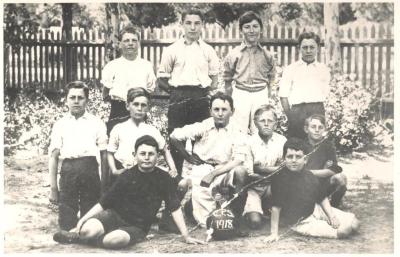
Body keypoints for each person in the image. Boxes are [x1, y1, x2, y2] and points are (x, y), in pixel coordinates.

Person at [53, 135, 203, 249]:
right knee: (87, 230)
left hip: (137, 226)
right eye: (142, 153)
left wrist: (186, 235)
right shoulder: (127, 175)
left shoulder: (163, 178)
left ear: (158, 156)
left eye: (151, 154)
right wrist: (82, 220)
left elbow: (175, 207)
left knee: (114, 240)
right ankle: (82, 236)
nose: (146, 158)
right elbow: (104, 202)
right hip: (114, 216)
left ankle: (99, 240)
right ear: (134, 155)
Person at [170, 92, 248, 226]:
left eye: (224, 109)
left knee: (240, 172)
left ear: (232, 111)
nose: (220, 113)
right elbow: (174, 136)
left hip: (224, 169)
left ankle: (236, 215)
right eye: (216, 109)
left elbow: (238, 160)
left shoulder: (238, 131)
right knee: (207, 222)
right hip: (203, 167)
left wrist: (213, 174)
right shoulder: (203, 126)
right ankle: (193, 208)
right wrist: (187, 156)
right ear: (210, 111)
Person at [157, 8, 220, 175]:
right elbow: (161, 79)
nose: (193, 27)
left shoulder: (208, 50)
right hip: (179, 98)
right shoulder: (171, 50)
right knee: (176, 138)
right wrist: (176, 93)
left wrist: (204, 93)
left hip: (200, 98)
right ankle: (176, 181)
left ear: (202, 25)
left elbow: (214, 79)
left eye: (197, 23)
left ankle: (200, 179)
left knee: (203, 139)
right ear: (181, 25)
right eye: (189, 23)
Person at [264, 138, 359, 242]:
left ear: (305, 160)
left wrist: (331, 216)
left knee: (355, 223)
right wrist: (274, 234)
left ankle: (327, 220)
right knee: (344, 231)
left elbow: (322, 197)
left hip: (315, 209)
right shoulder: (280, 178)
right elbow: (276, 208)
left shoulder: (309, 175)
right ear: (284, 159)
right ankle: (326, 226)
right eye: (290, 157)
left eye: (298, 157)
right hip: (301, 222)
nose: (294, 160)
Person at [49, 81, 108, 232]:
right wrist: (54, 188)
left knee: (90, 214)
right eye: (72, 97)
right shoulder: (60, 124)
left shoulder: (96, 122)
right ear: (66, 100)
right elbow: (54, 157)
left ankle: (86, 234)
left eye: (80, 98)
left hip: (90, 168)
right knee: (66, 218)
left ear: (87, 100)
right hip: (68, 169)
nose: (76, 101)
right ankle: (69, 234)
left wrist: (104, 184)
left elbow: (104, 155)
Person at [106, 87, 177, 189]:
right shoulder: (118, 128)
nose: (139, 108)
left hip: (145, 173)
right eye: (135, 104)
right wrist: (114, 170)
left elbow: (165, 150)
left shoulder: (152, 130)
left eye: (143, 105)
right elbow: (110, 152)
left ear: (148, 108)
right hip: (123, 171)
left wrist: (173, 168)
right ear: (127, 106)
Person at [223, 11, 276, 134]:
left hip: (260, 94)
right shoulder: (234, 54)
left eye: (255, 26)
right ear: (241, 31)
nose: (251, 30)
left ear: (261, 29)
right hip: (240, 93)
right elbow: (227, 78)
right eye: (247, 27)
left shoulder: (267, 55)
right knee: (237, 129)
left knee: (259, 129)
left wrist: (268, 92)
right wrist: (230, 98)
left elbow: (272, 76)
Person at [101, 25, 156, 135]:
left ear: (139, 43)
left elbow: (150, 91)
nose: (130, 43)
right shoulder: (112, 66)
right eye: (126, 40)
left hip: (139, 110)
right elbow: (105, 92)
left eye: (134, 40)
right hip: (118, 110)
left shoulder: (146, 66)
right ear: (120, 44)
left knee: (140, 141)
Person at [242, 105, 287, 229]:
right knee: (255, 223)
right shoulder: (249, 142)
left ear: (276, 124)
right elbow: (250, 173)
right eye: (262, 121)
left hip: (275, 186)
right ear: (256, 123)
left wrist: (261, 169)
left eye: (270, 121)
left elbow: (286, 169)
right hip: (255, 188)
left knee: (287, 218)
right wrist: (273, 171)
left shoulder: (282, 141)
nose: (266, 124)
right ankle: (257, 210)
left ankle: (270, 208)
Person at [279, 31, 330, 139]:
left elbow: (326, 93)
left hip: (317, 109)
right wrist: (291, 116)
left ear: (318, 48)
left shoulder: (323, 69)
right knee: (297, 144)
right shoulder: (290, 69)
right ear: (299, 48)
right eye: (305, 47)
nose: (308, 51)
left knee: (316, 145)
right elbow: (283, 95)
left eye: (312, 47)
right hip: (297, 112)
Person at [304, 114, 347, 208]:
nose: (317, 130)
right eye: (313, 127)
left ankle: (334, 206)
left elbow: (333, 170)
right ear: (306, 129)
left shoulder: (328, 146)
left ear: (324, 130)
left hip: (322, 185)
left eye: (320, 127)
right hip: (303, 185)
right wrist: (324, 171)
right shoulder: (300, 145)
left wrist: (308, 172)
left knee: (341, 178)